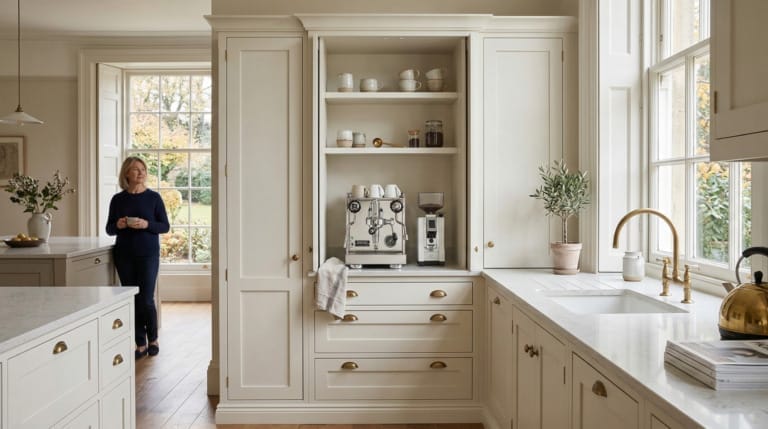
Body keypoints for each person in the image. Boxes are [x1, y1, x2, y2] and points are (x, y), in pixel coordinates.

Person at [106, 156, 170, 359]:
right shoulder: (118, 200)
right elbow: (109, 229)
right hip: (124, 255)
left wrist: (147, 225)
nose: (141, 173)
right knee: (132, 299)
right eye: (135, 170)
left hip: (148, 254)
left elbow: (165, 226)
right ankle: (139, 343)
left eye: (143, 169)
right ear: (126, 173)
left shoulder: (153, 198)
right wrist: (119, 225)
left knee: (147, 300)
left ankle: (153, 339)